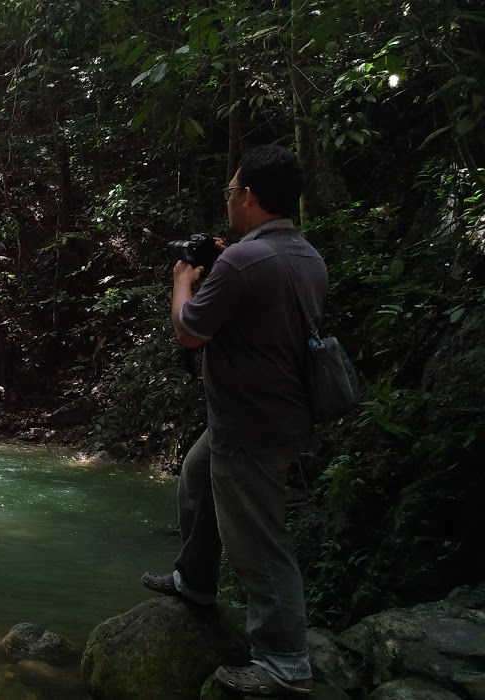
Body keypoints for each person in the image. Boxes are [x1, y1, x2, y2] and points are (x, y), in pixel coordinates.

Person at [142, 144, 327, 696]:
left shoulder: (245, 261)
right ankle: (196, 581)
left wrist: (182, 278)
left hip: (251, 424)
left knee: (259, 542)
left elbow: (189, 331)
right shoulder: (304, 255)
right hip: (271, 413)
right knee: (196, 480)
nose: (228, 199)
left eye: (230, 191)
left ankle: (284, 663)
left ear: (247, 195)